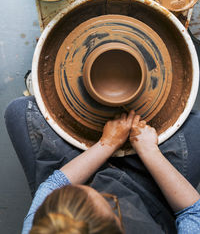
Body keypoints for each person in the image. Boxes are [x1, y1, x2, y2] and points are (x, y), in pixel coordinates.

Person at [4, 96, 200, 234]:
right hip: (150, 200)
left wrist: (107, 144)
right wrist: (149, 151)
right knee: (194, 124)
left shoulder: (44, 228)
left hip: (87, 172)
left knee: (19, 110)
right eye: (110, 203)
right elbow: (193, 211)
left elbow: (53, 186)